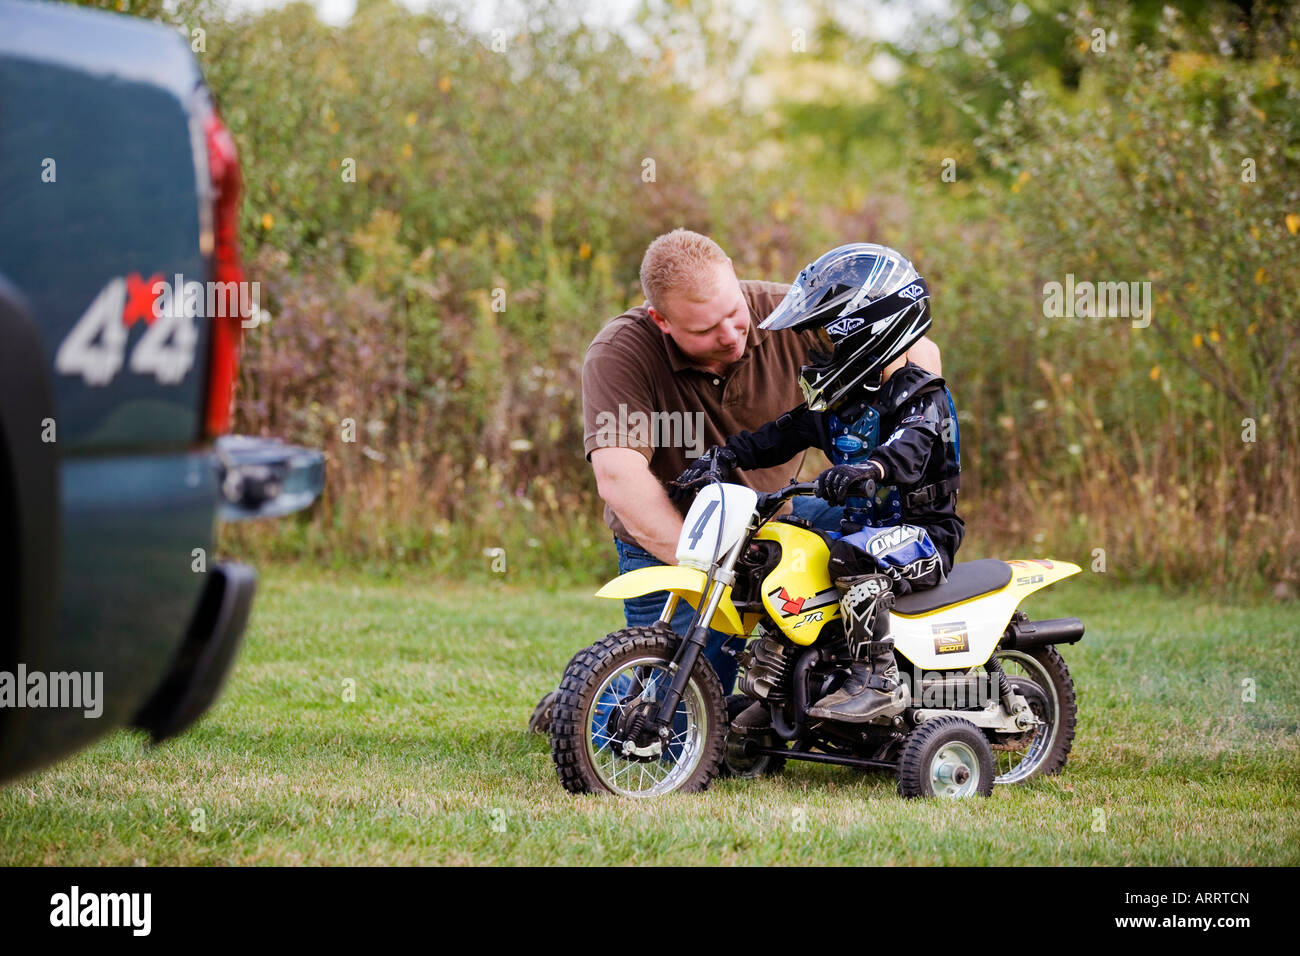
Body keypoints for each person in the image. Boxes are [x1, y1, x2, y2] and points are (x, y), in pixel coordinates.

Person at [527, 230, 942, 733]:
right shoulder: (622, 353)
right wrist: (714, 572)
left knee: (885, 538)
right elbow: (620, 478)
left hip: (775, 517)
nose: (729, 334)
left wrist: (888, 444)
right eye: (705, 329)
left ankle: (907, 690)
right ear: (662, 319)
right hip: (677, 535)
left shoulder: (791, 312)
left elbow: (914, 348)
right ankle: (594, 695)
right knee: (680, 719)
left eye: (733, 312)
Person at [671, 242, 962, 727]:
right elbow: (776, 436)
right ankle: (782, 687)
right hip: (861, 527)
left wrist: (871, 470)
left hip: (924, 533)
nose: (816, 351)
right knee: (778, 558)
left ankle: (877, 679)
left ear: (868, 335)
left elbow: (911, 450)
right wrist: (720, 457)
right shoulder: (838, 402)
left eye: (827, 340)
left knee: (852, 557)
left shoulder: (920, 395)